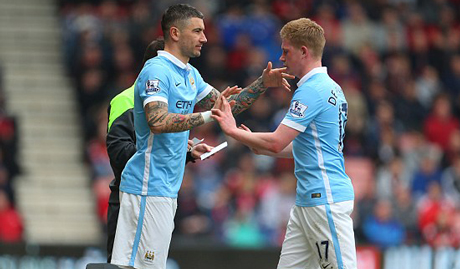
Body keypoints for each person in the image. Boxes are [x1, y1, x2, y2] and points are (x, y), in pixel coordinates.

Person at [111, 4, 292, 269]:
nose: (204, 38)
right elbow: (158, 121)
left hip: (165, 189)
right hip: (146, 187)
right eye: (197, 31)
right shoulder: (157, 70)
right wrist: (210, 116)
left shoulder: (190, 74)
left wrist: (262, 83)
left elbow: (229, 108)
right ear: (175, 33)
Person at [212, 18, 357, 269]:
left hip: (324, 201)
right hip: (308, 202)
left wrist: (232, 131)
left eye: (285, 51)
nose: (280, 57)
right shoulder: (332, 87)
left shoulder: (312, 91)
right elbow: (307, 147)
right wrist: (257, 144)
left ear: (304, 51)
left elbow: (277, 142)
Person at [105, 38, 213, 263]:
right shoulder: (125, 101)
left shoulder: (167, 103)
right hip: (131, 193)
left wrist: (186, 153)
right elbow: (119, 153)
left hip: (159, 191)